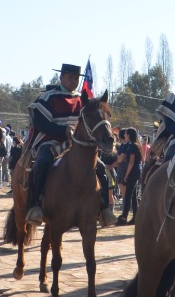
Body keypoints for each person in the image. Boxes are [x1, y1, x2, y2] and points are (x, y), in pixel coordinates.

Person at [24, 63, 118, 227]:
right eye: (70, 77)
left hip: (77, 143)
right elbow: (38, 122)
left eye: (76, 78)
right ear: (61, 77)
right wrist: (63, 130)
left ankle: (103, 207)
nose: (73, 81)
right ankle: (36, 205)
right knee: (43, 162)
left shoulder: (84, 101)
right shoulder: (48, 96)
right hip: (51, 141)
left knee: (101, 168)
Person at [114, 128, 142, 225]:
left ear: (129, 135)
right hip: (134, 171)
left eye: (126, 134)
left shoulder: (133, 146)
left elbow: (131, 162)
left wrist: (126, 175)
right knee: (133, 195)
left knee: (128, 195)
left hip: (133, 172)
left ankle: (124, 217)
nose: (124, 135)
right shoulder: (132, 145)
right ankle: (135, 215)